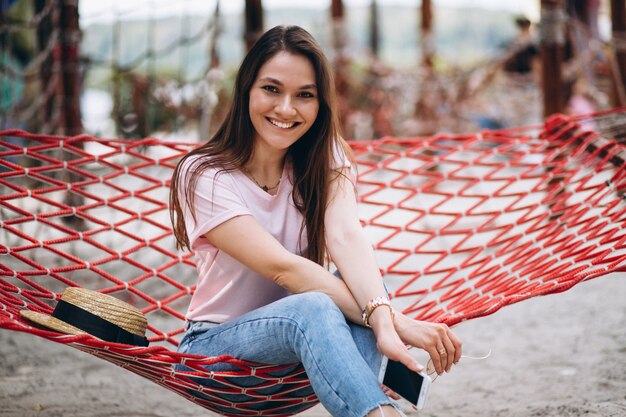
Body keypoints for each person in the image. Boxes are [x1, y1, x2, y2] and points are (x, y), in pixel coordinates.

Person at [169, 25, 462, 417]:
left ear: (321, 104)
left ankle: (374, 400)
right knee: (319, 305)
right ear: (246, 91)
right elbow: (283, 268)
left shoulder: (326, 157)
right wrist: (395, 323)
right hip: (215, 358)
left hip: (303, 349)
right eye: (271, 89)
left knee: (362, 284)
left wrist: (380, 312)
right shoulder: (204, 174)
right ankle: (380, 413)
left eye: (304, 95)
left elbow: (345, 236)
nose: (286, 109)